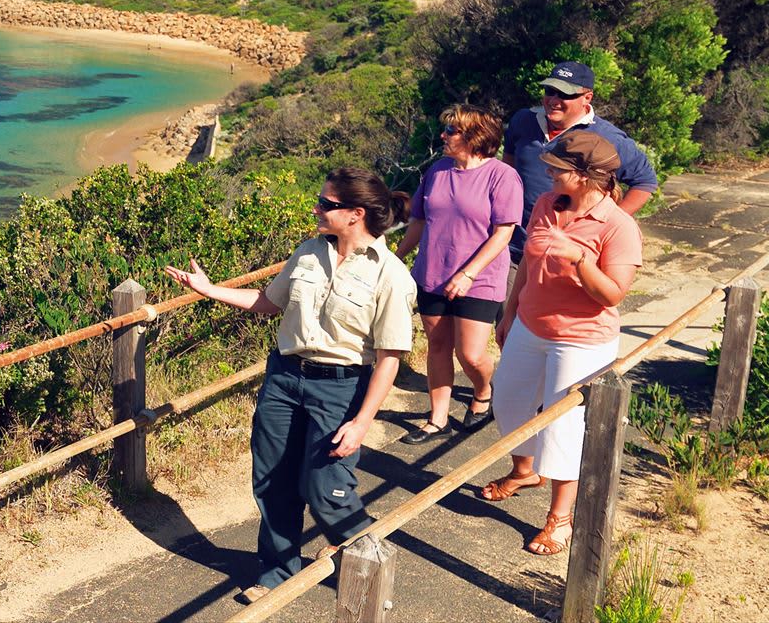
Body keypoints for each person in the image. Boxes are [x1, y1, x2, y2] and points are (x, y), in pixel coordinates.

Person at [165, 167, 415, 604]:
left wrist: (360, 423)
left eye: (326, 204)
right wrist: (210, 290)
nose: (315, 208)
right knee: (273, 479)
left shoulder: (391, 275)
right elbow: (268, 302)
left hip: (340, 387)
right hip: (284, 378)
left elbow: (390, 358)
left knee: (327, 489)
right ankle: (277, 572)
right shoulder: (308, 252)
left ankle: (371, 566)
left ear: (355, 214)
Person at [480, 129, 642, 554]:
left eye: (557, 169)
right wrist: (511, 312)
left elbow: (613, 294)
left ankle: (560, 518)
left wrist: (579, 258)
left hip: (581, 340)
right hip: (531, 326)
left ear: (587, 177)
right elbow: (530, 267)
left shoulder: (618, 226)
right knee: (510, 403)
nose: (547, 173)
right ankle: (525, 470)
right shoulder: (549, 204)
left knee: (562, 425)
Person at [395, 104, 518, 444]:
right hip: (432, 273)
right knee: (437, 345)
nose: (444, 136)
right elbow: (418, 220)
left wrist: (467, 274)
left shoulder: (501, 176)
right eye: (446, 129)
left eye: (451, 131)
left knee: (471, 354)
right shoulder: (436, 171)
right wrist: (397, 257)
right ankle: (438, 419)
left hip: (479, 280)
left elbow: (503, 233)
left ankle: (482, 392)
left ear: (476, 137)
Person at [504, 61, 658, 257]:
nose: (553, 100)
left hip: (571, 255)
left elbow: (645, 182)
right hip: (515, 248)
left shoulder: (608, 137)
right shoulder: (523, 120)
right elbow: (509, 161)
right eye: (550, 91)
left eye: (565, 94)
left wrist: (603, 225)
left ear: (587, 97)